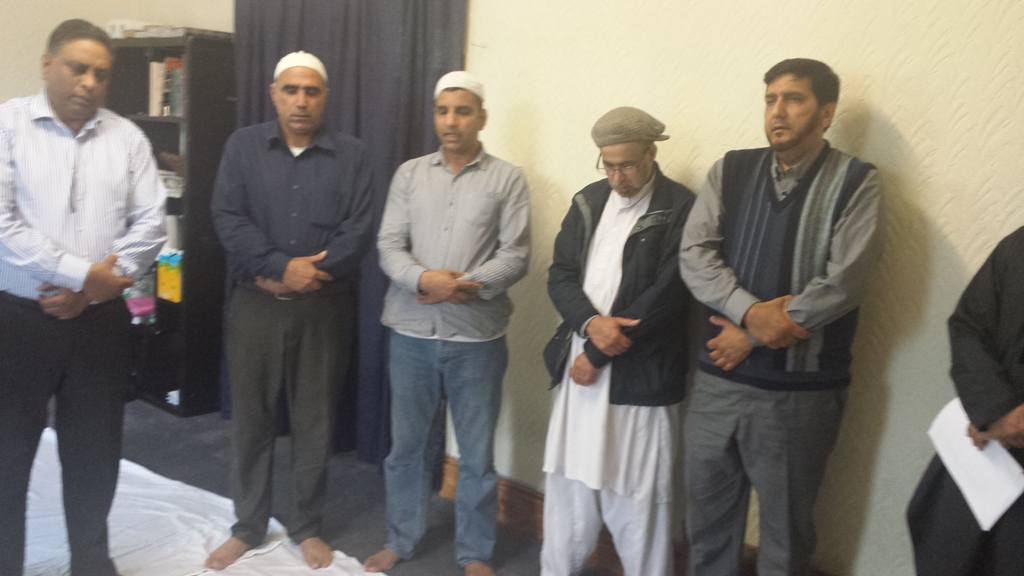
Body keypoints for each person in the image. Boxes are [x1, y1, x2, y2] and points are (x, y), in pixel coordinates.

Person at [679, 58, 884, 576]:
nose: (778, 111)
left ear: (825, 113)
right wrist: (749, 312)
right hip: (718, 382)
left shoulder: (856, 182)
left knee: (785, 537)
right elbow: (694, 254)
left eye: (794, 99)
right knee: (706, 527)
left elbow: (846, 282)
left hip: (799, 394)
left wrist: (750, 336)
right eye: (771, 99)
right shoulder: (731, 170)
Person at [0, 19, 166, 576]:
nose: (90, 82)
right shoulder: (7, 125)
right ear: (47, 64)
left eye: (101, 73)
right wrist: (78, 275)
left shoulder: (128, 138)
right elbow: (2, 224)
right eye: (78, 68)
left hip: (100, 323)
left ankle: (91, 563)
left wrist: (94, 289)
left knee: (95, 454)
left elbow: (151, 225)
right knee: (6, 455)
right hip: (17, 321)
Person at [207, 51, 373, 570]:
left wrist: (308, 274)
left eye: (312, 91)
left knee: (314, 421)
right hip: (255, 307)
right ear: (274, 94)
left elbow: (359, 229)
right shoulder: (243, 146)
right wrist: (281, 266)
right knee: (251, 421)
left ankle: (307, 526)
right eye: (291, 90)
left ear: (325, 97)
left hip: (324, 309)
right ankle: (248, 526)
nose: (301, 101)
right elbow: (227, 217)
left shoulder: (353, 155)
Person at [366, 71, 530, 576]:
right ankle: (401, 538)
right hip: (410, 334)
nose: (451, 121)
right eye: (442, 111)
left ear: (482, 117)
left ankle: (475, 552)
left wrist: (465, 286)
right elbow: (389, 245)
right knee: (406, 448)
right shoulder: (409, 175)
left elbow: (517, 254)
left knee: (476, 456)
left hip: (477, 338)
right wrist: (424, 280)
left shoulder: (508, 179)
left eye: (462, 111)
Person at [540, 107, 695, 576]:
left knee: (638, 502)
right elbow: (561, 274)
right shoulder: (588, 201)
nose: (616, 177)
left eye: (626, 165)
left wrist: (596, 351)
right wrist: (589, 323)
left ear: (651, 154)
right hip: (583, 372)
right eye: (607, 165)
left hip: (640, 376)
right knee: (570, 490)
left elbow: (669, 294)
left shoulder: (680, 207)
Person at [907, 226, 1024, 576]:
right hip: (984, 455)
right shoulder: (1018, 246)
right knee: (944, 550)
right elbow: (968, 326)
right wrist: (996, 410)